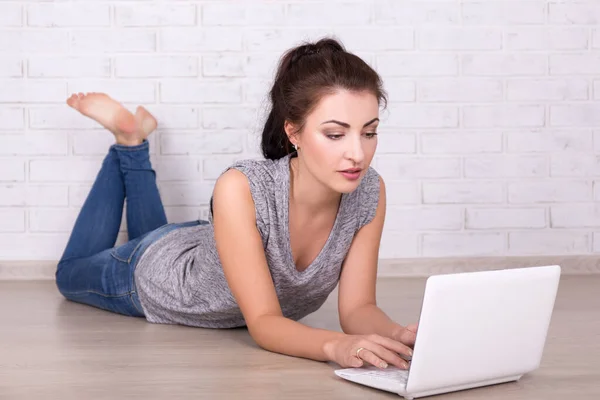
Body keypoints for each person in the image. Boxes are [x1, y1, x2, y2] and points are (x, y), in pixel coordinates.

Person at [55, 37, 418, 371]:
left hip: (205, 244)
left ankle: (133, 140)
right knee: (68, 273)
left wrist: (396, 336)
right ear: (293, 133)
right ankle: (128, 144)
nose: (357, 153)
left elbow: (358, 309)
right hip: (152, 277)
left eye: (369, 132)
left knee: (151, 232)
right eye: (335, 134)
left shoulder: (369, 191)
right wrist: (336, 347)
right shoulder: (241, 187)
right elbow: (263, 323)